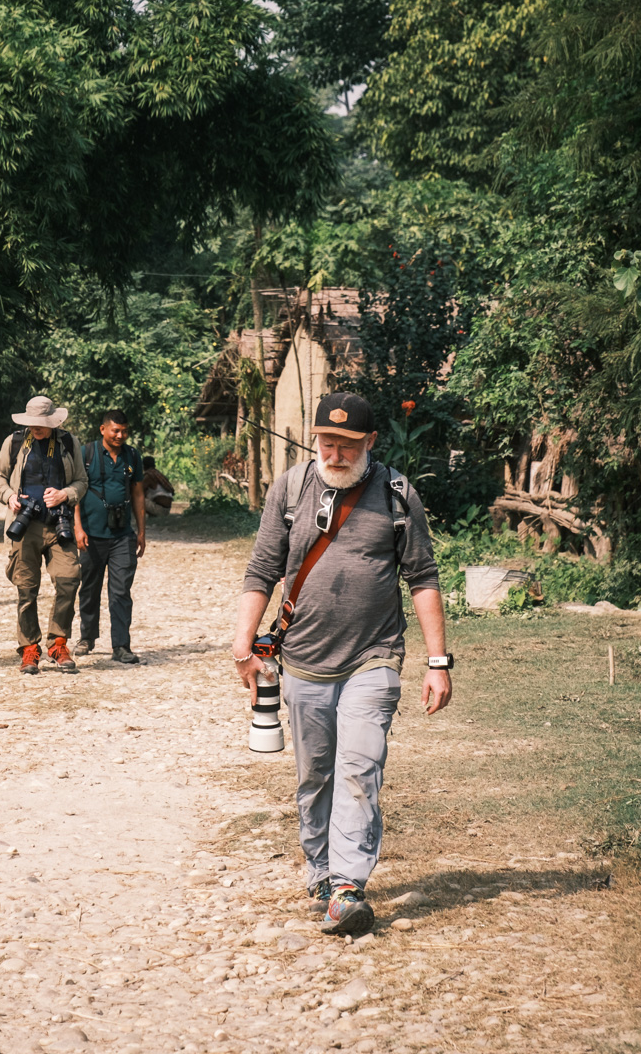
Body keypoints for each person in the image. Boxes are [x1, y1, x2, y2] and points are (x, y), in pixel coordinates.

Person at [230, 392, 453, 937]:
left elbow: (422, 578)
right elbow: (262, 569)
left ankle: (348, 885)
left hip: (373, 657)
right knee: (315, 777)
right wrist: (243, 647)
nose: (333, 454)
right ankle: (320, 870)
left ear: (370, 443)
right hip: (303, 659)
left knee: (359, 768)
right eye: (326, 443)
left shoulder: (397, 494)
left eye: (346, 445)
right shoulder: (290, 488)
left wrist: (437, 661)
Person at [0, 394, 89, 675]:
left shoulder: (69, 443)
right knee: (26, 588)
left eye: (41, 423)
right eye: (32, 423)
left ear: (53, 422)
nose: (37, 428)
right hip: (26, 525)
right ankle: (29, 648)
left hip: (59, 525)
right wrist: (9, 497)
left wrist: (65, 494)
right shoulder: (16, 442)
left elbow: (82, 481)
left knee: (69, 579)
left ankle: (58, 643)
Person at [74, 409, 145, 664]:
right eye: (115, 430)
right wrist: (78, 528)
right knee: (89, 588)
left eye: (124, 431)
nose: (120, 435)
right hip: (91, 535)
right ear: (103, 429)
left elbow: (137, 494)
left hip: (123, 535)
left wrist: (141, 532)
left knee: (121, 591)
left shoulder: (132, 455)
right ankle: (87, 637)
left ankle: (121, 645)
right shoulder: (86, 453)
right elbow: (76, 492)